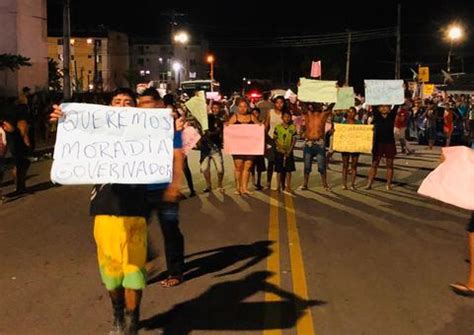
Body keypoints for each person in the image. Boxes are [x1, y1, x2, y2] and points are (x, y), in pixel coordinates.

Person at [50, 88, 147, 335]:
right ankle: (117, 313)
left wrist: (174, 125)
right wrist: (65, 119)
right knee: (112, 273)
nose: (122, 105)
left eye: (128, 102)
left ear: (136, 108)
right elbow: (76, 137)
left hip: (135, 212)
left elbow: (170, 142)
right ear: (109, 106)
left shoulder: (147, 131)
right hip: (105, 210)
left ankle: (132, 320)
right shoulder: (98, 131)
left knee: (134, 271)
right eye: (117, 101)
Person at [137, 88, 186, 289]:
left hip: (163, 187)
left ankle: (176, 271)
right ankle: (147, 261)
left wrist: (174, 185)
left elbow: (178, 156)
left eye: (147, 102)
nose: (143, 107)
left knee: (170, 230)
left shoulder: (169, 126)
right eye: (140, 103)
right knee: (135, 229)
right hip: (139, 188)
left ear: (158, 103)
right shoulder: (134, 125)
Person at [300, 102, 335, 191]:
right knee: (307, 166)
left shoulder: (323, 115)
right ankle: (305, 184)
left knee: (321, 166)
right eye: (314, 103)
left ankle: (325, 184)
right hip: (308, 143)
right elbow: (302, 103)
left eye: (318, 103)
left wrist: (334, 94)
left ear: (321, 105)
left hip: (320, 144)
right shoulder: (308, 113)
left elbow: (330, 107)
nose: (316, 105)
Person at [228, 99, 260, 195]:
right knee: (238, 166)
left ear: (248, 107)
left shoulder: (252, 117)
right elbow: (228, 130)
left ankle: (244, 187)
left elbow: (258, 128)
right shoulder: (235, 117)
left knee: (248, 166)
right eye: (240, 106)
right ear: (237, 107)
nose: (243, 109)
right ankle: (238, 187)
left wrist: (261, 125)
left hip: (250, 146)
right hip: (237, 146)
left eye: (245, 106)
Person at [366, 104, 398, 191]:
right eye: (381, 107)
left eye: (386, 106)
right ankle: (369, 183)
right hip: (378, 143)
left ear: (389, 108)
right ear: (378, 109)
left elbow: (397, 105)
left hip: (389, 143)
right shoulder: (377, 116)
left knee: (390, 165)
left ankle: (388, 184)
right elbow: (373, 104)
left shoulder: (392, 115)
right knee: (374, 164)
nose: (384, 108)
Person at [200, 102, 225, 193]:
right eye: (213, 108)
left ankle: (220, 185)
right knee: (204, 168)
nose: (215, 109)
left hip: (216, 147)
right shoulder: (206, 118)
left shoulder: (221, 119)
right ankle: (208, 185)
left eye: (217, 108)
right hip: (205, 147)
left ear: (220, 109)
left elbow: (221, 131)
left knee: (220, 169)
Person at [273, 110, 297, 194]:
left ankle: (288, 186)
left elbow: (294, 139)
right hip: (279, 151)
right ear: (282, 118)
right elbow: (275, 139)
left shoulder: (293, 127)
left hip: (289, 151)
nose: (287, 118)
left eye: (288, 117)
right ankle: (278, 186)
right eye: (285, 117)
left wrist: (290, 150)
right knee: (279, 170)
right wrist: (280, 148)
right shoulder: (278, 127)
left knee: (288, 170)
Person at [339, 107, 362, 190]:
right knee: (345, 165)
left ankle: (352, 184)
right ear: (347, 113)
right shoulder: (343, 123)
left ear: (355, 114)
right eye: (349, 112)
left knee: (354, 165)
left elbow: (363, 134)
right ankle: (344, 184)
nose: (351, 114)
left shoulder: (359, 123)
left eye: (353, 112)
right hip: (346, 146)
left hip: (355, 146)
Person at [265, 96, 285, 190]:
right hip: (271, 138)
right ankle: (268, 182)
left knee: (280, 162)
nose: (279, 104)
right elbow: (266, 125)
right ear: (274, 103)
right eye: (277, 102)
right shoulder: (270, 112)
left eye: (281, 102)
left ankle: (281, 183)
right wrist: (263, 137)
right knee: (271, 161)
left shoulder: (285, 113)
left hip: (282, 140)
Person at [251, 108, 266, 190]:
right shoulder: (249, 123)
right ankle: (253, 181)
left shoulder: (261, 123)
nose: (255, 115)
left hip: (259, 147)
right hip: (251, 148)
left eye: (256, 113)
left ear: (259, 114)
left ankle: (259, 182)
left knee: (259, 167)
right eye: (253, 113)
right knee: (251, 166)